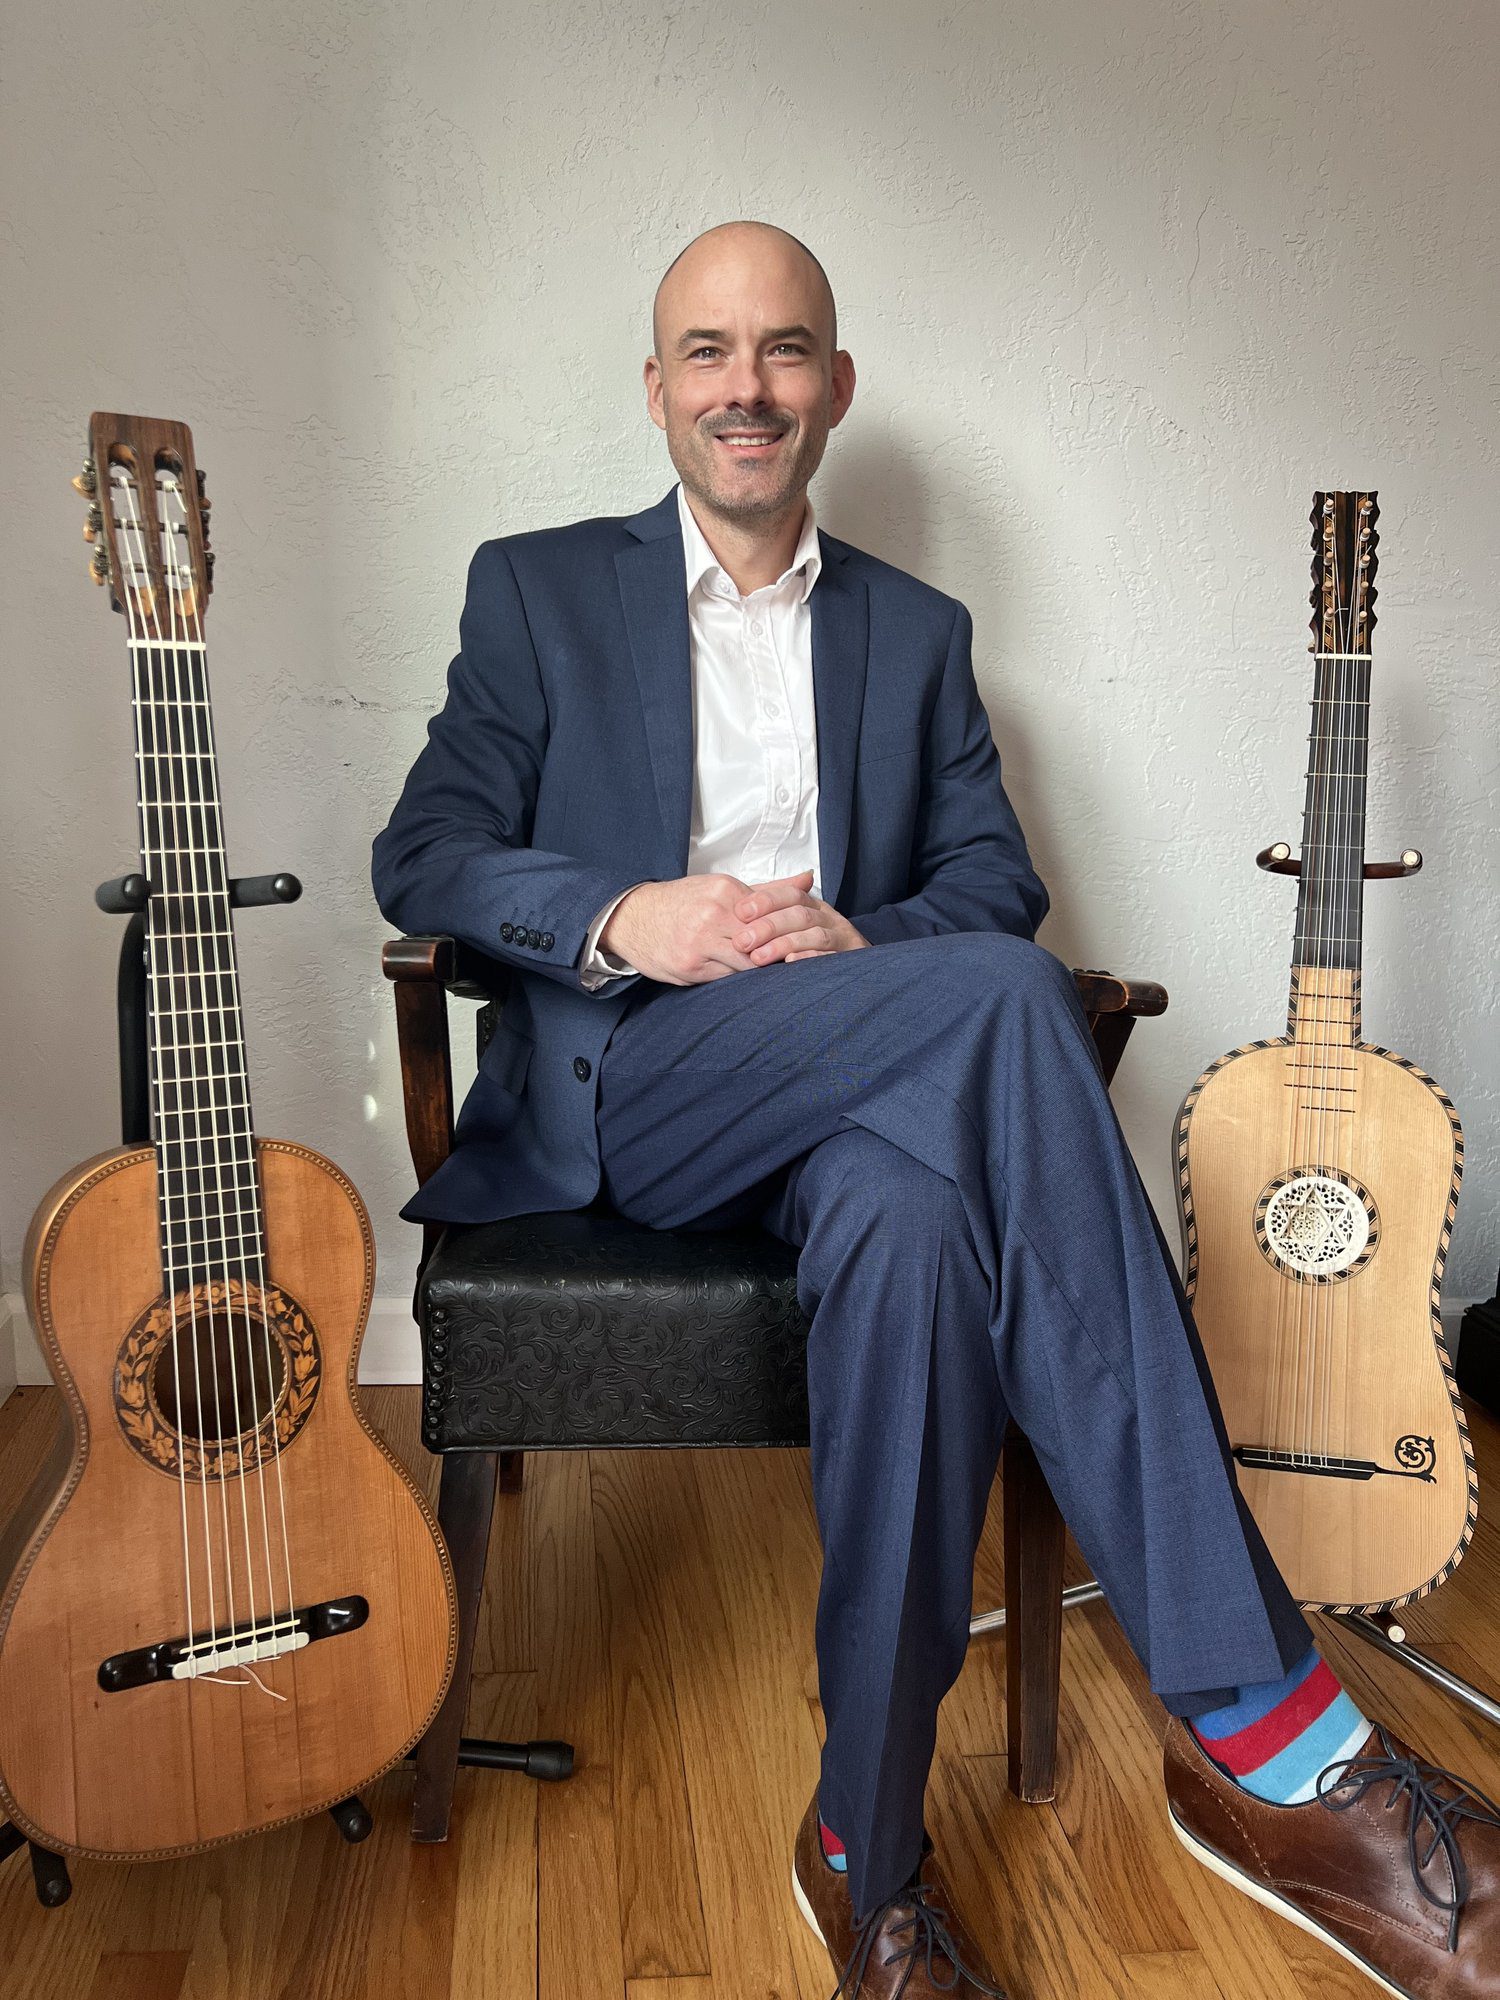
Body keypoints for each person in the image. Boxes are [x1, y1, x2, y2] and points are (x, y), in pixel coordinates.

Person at [372, 220, 1499, 1999]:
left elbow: (990, 881)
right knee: (997, 1000)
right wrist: (623, 914)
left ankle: (863, 1857)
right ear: (657, 388)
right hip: (648, 1084)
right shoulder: (538, 589)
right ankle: (1269, 1734)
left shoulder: (914, 628)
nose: (748, 388)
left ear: (835, 386)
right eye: (709, 352)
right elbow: (423, 851)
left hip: (857, 1102)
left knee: (912, 1235)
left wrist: (858, 937)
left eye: (785, 351)